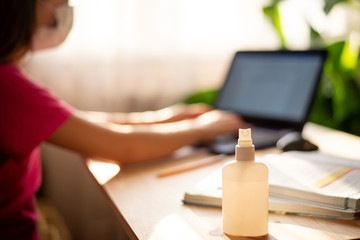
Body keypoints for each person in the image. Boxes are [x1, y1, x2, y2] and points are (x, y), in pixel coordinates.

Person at [0, 0, 246, 239]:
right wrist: (199, 129)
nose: (64, 11)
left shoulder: (9, 78)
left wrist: (167, 119)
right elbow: (121, 147)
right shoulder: (8, 86)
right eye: (57, 5)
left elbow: (80, 123)